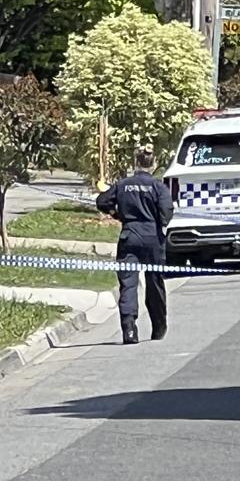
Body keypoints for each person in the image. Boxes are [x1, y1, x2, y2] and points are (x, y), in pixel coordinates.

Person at [96, 146, 174, 344]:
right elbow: (167, 210)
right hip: (152, 239)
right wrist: (161, 224)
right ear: (153, 164)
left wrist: (116, 214)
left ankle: (129, 328)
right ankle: (158, 327)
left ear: (135, 163)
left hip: (129, 236)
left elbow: (102, 201)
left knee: (128, 283)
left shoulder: (123, 184)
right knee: (154, 282)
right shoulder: (157, 187)